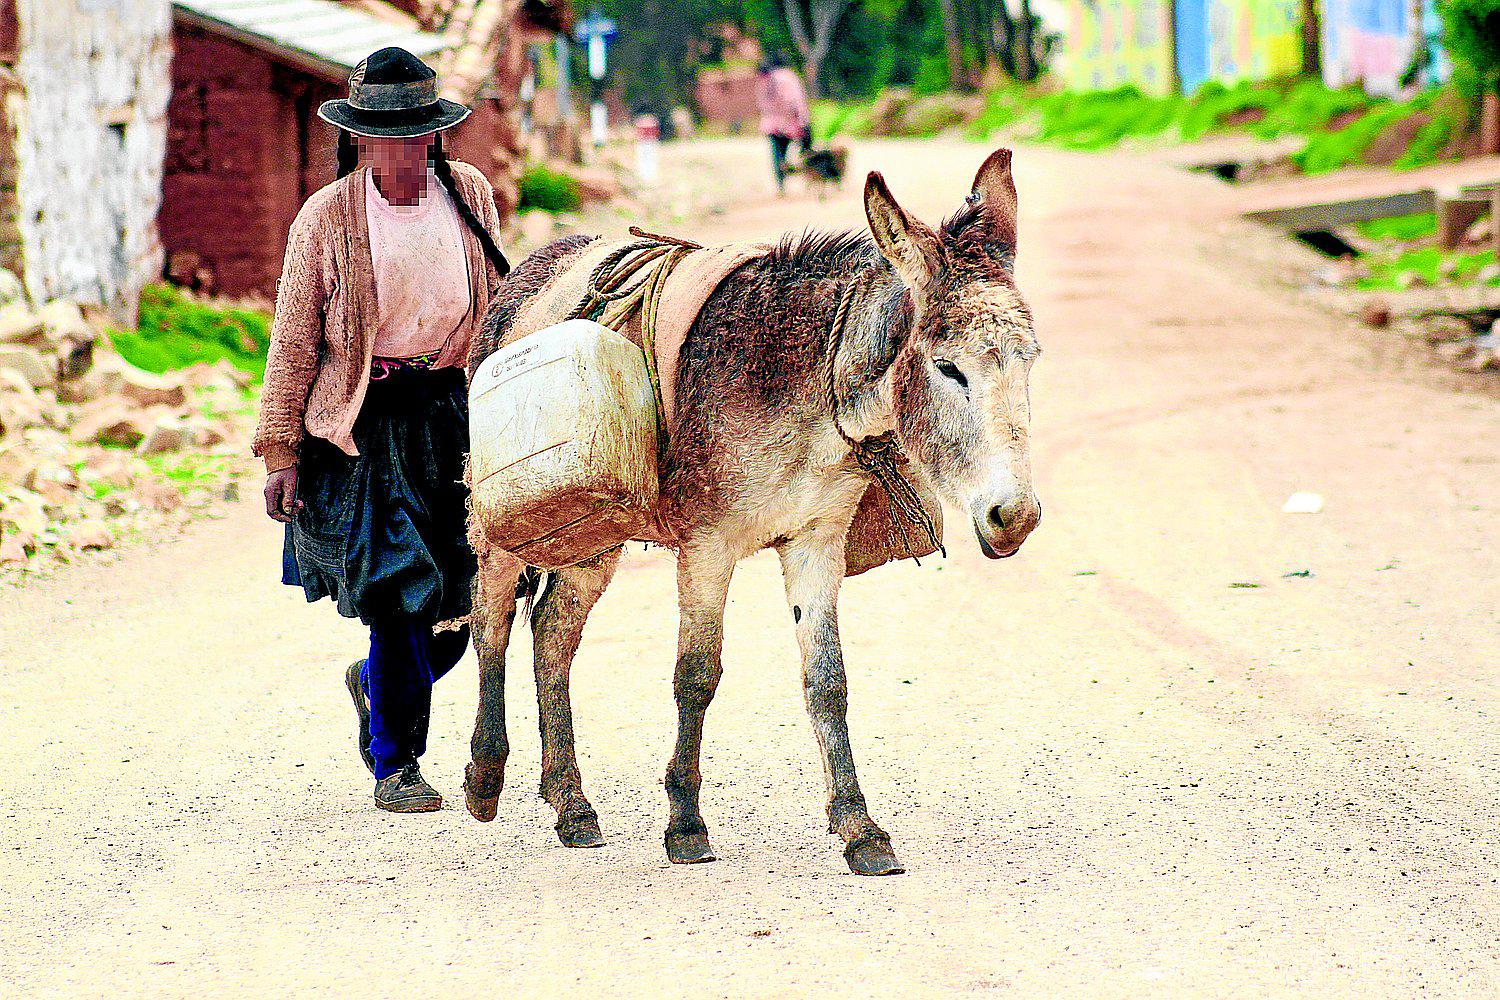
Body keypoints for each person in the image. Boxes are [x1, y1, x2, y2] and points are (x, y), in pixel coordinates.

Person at [253, 47, 510, 813]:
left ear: (433, 134)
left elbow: (498, 300)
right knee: (401, 594)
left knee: (464, 607)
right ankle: (397, 763)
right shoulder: (327, 217)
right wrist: (280, 450)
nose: (400, 149)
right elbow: (294, 338)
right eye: (382, 135)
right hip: (365, 428)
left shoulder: (468, 193)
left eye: (413, 134)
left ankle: (374, 686)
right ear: (360, 138)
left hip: (453, 417)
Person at [755, 55, 812, 195]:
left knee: (777, 155)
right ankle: (812, 179)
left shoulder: (763, 78)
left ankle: (781, 186)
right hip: (791, 122)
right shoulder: (789, 76)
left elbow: (761, 104)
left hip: (772, 124)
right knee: (805, 152)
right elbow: (797, 100)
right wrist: (804, 120)